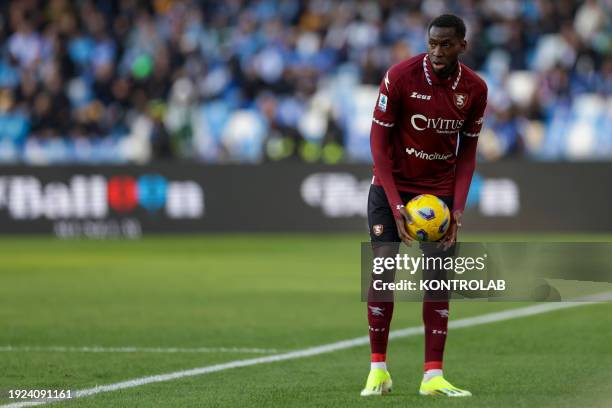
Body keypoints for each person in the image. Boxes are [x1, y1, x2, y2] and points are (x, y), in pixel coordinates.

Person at [361, 14, 487, 397]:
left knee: (437, 280)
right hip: (391, 189)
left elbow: (467, 156)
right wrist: (398, 207)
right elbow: (378, 147)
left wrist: (458, 210)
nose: (436, 51)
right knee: (382, 273)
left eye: (445, 44)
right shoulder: (399, 77)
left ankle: (433, 375)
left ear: (461, 46)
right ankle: (377, 371)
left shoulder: (475, 89)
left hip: (440, 194)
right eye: (432, 43)